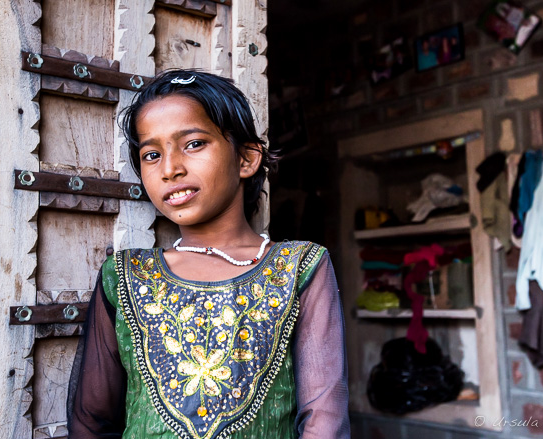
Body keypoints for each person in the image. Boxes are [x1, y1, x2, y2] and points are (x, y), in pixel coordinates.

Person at [67, 69, 350, 439]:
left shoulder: (299, 267)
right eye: (151, 154)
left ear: (247, 159)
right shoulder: (126, 276)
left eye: (194, 143)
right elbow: (91, 420)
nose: (170, 168)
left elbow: (324, 421)